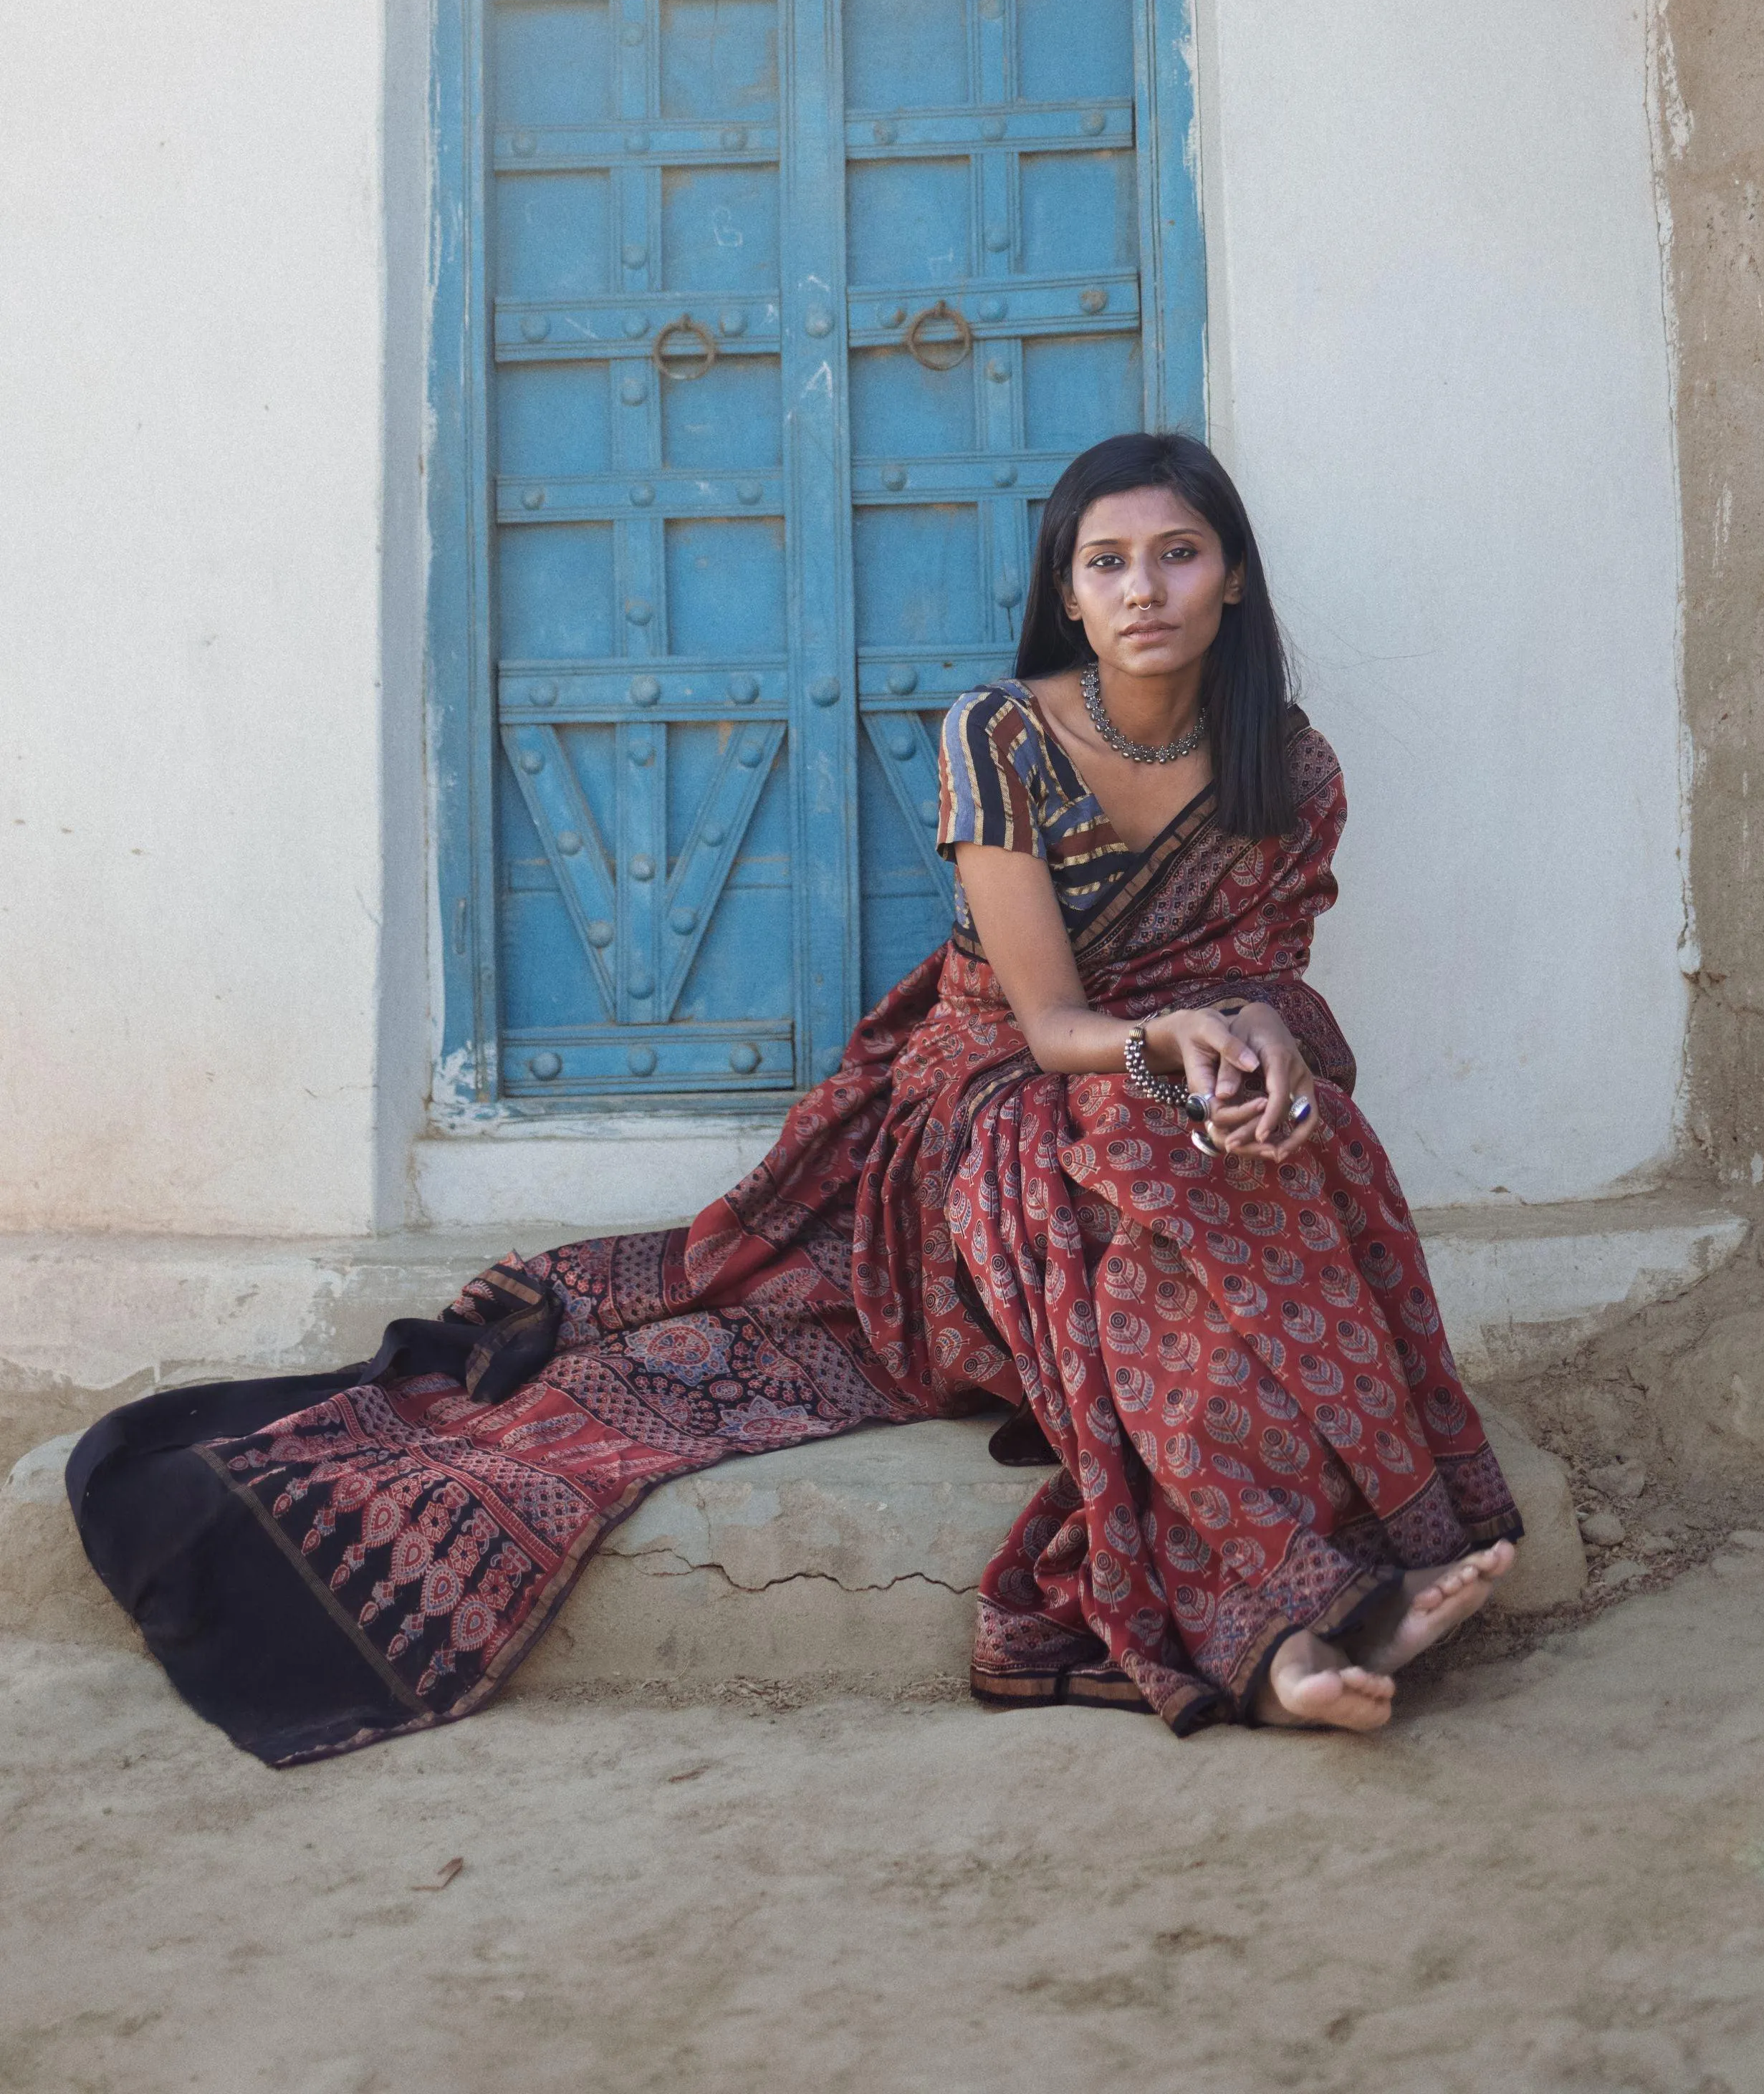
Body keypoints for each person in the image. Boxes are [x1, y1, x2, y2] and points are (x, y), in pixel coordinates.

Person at [69, 433, 1520, 1766]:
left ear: (1235, 573)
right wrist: (1191, 1044)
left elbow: (1261, 977)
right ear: (1066, 594)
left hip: (1153, 1088)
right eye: (1105, 560)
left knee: (1287, 1142)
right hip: (982, 1107)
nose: (1143, 586)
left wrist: (1259, 1056)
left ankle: (1318, 1601)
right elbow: (1055, 1022)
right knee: (1147, 1153)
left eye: (1177, 552)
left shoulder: (1291, 767)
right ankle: (1282, 1621)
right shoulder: (1000, 737)